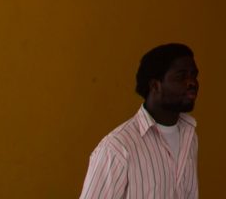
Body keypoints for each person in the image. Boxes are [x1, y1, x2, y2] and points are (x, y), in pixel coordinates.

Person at [77, 42, 200, 199]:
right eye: (181, 76)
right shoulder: (117, 149)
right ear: (155, 85)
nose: (192, 83)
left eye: (194, 75)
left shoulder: (190, 137)